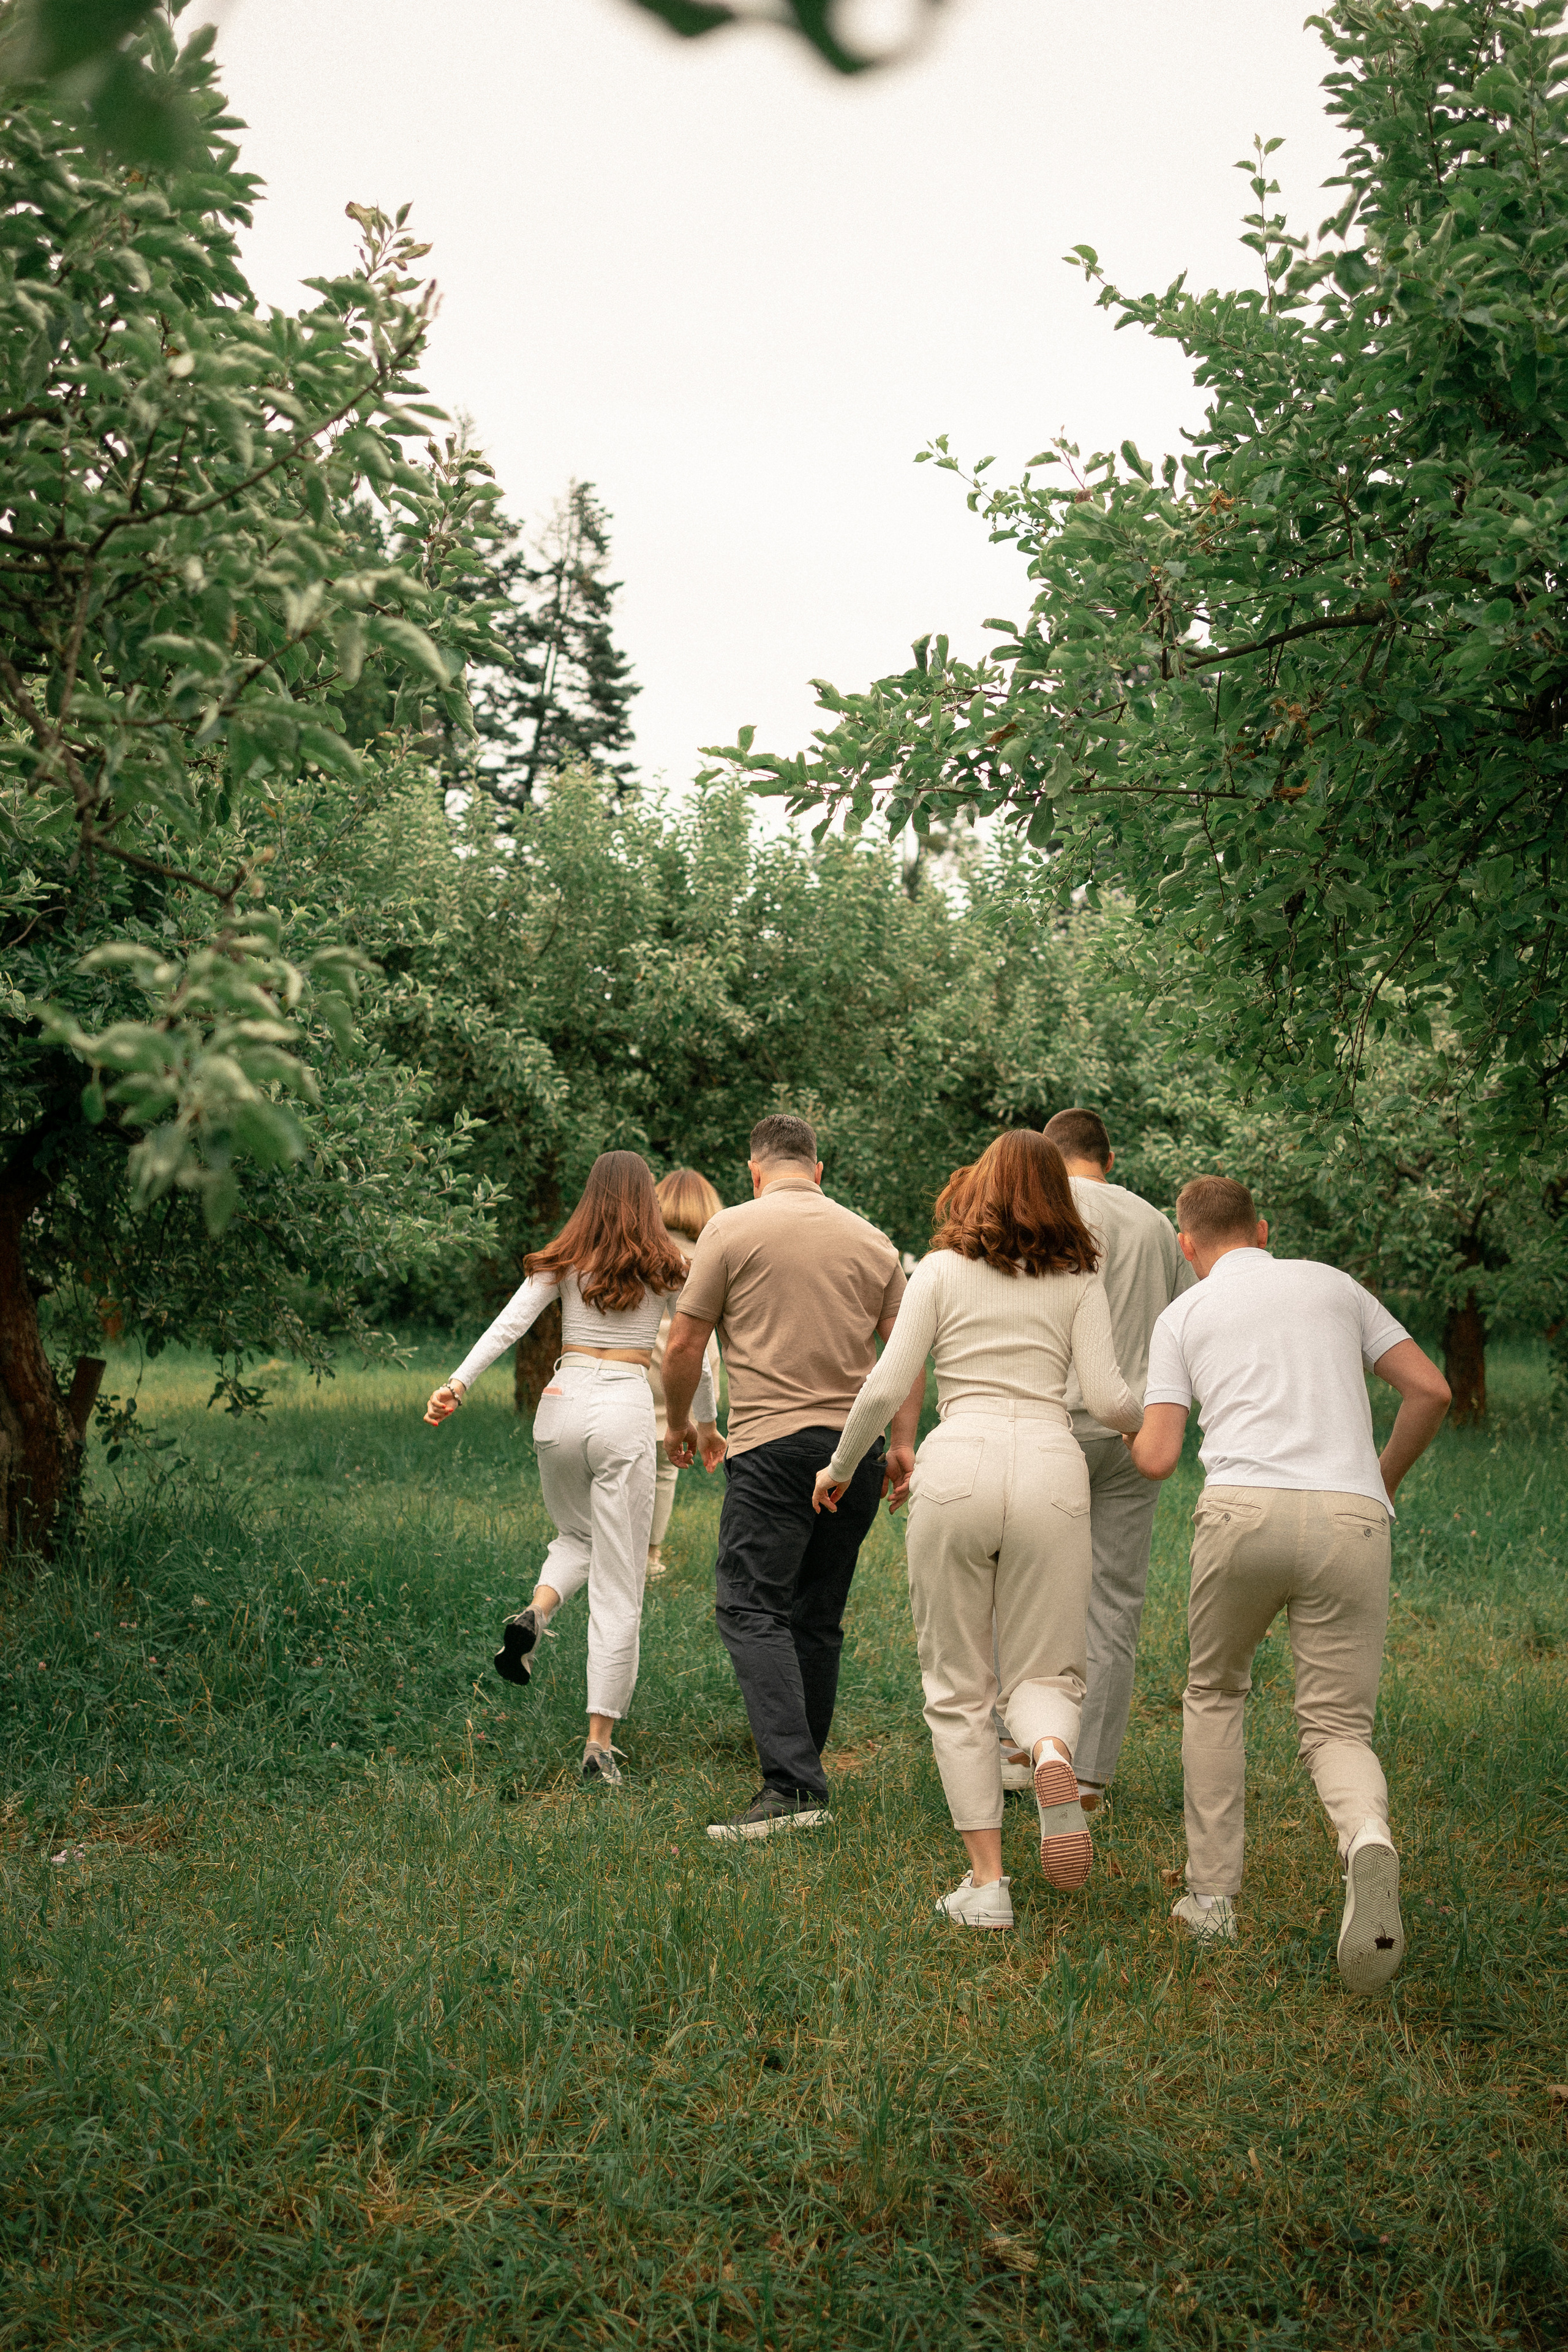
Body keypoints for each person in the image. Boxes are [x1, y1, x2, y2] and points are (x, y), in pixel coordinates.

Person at [1126, 1174, 1450, 1992]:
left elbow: (1159, 1455)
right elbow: (1431, 1390)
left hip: (1243, 1513)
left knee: (1215, 1692)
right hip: (1352, 1517)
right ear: (1263, 1229)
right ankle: (1364, 1834)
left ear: (1186, 1244)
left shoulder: (1184, 1314)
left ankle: (1211, 1900)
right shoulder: (1336, 1286)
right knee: (1338, 1726)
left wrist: (1116, 1415)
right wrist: (1378, 1481)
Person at [813, 1131, 1144, 1931]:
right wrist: (1151, 1424)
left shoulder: (941, 1271)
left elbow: (886, 1382)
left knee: (958, 1687)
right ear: (1059, 1197)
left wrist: (838, 1466)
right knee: (1048, 1673)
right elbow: (1106, 1398)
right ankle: (1054, 1756)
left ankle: (988, 1884)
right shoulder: (1078, 1276)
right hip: (1051, 1469)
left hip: (956, 1464)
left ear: (980, 1188)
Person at [660, 1113, 922, 1844]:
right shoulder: (872, 1241)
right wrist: (902, 1445)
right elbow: (904, 1355)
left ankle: (792, 1786)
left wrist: (680, 1421)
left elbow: (686, 1337)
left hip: (773, 1447)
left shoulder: (732, 1229)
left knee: (748, 1607)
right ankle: (800, 1769)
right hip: (856, 1453)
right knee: (816, 1614)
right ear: (817, 1167)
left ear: (754, 1170)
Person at [423, 1151, 723, 1786]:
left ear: (591, 1197)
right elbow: (693, 1347)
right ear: (647, 1200)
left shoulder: (564, 1258)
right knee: (620, 1582)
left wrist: (457, 1382)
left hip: (558, 1406)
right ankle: (598, 1743)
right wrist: (701, 1421)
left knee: (574, 1537)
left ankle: (538, 1610)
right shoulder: (670, 1268)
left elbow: (509, 1325)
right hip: (621, 1406)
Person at [990, 1107, 1193, 1814]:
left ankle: (1016, 1750)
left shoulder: (1030, 1208)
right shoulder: (1154, 1223)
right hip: (1133, 1433)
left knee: (1015, 1585)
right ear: (1109, 1158)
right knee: (1112, 1600)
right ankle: (1087, 1777)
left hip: (1048, 1423)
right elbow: (1182, 1324)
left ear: (1047, 1156)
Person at [644, 1167, 725, 1580]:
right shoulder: (709, 1255)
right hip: (692, 1365)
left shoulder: (642, 1250)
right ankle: (651, 1556)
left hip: (642, 1360)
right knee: (666, 1465)